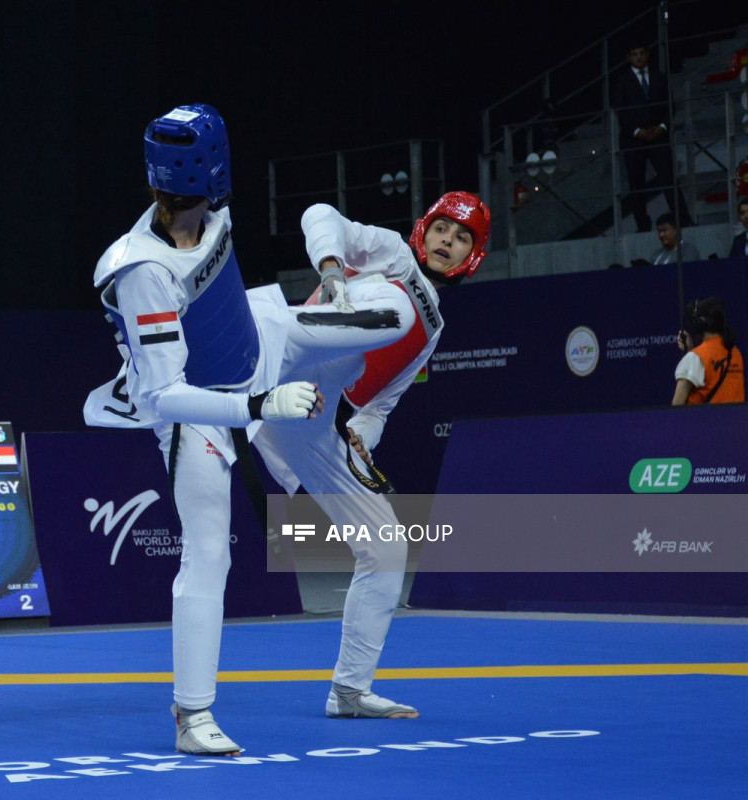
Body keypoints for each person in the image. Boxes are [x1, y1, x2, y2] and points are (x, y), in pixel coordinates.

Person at [83, 104, 417, 756]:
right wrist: (258, 408)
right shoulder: (142, 271)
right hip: (197, 410)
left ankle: (319, 395)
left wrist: (328, 284)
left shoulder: (213, 214)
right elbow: (165, 393)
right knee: (210, 553)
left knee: (397, 314)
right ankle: (192, 717)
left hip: (266, 342)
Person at [252, 191, 492, 724]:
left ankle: (350, 691)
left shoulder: (433, 330)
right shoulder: (392, 255)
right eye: (441, 231)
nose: (445, 243)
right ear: (423, 231)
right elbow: (318, 214)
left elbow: (381, 405)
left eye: (459, 240)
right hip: (275, 372)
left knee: (386, 548)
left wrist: (360, 435)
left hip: (314, 420)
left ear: (471, 258)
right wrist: (333, 270)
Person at [610, 42, 693, 232]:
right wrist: (637, 131)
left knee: (669, 180)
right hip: (633, 140)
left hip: (659, 137)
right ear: (628, 57)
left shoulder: (659, 78)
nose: (638, 57)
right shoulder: (621, 81)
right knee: (636, 186)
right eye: (634, 54)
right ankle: (642, 226)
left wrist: (662, 127)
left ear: (647, 55)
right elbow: (620, 110)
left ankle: (683, 220)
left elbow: (669, 106)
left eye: (641, 53)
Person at [672, 297, 745, 405]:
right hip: (736, 421)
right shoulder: (736, 353)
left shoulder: (695, 357)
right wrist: (691, 350)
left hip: (703, 421)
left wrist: (691, 354)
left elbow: (676, 407)